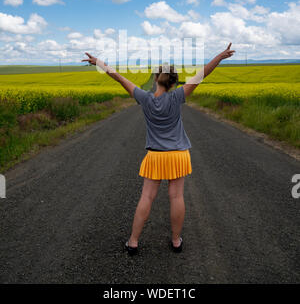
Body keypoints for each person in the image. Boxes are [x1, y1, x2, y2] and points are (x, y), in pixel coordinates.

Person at [82, 43, 235, 255]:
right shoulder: (177, 96)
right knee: (176, 197)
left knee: (146, 198)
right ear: (174, 83)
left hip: (155, 157)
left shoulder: (144, 99)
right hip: (178, 156)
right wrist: (220, 56)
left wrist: (98, 62)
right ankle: (175, 241)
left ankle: (133, 242)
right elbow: (202, 74)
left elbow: (117, 76)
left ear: (155, 79)